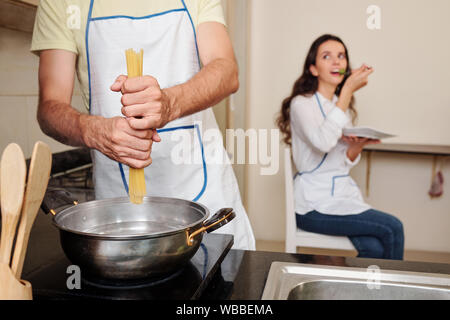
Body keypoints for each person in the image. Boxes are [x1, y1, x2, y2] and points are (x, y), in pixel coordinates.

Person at [31, 0, 255, 250]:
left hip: (209, 199)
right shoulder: (60, 3)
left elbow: (226, 70)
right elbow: (50, 107)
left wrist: (169, 104)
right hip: (121, 213)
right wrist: (93, 131)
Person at [277, 34, 404, 259]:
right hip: (312, 206)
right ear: (314, 69)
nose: (337, 62)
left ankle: (370, 292)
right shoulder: (302, 104)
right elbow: (324, 143)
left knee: (375, 247)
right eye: (327, 57)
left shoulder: (338, 106)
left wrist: (358, 145)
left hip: (340, 199)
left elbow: (341, 160)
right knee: (393, 227)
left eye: (341, 56)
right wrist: (347, 90)